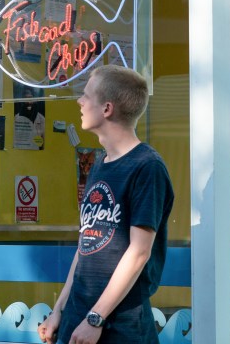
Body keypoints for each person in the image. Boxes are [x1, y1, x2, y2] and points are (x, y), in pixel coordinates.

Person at [39, 64, 174, 344]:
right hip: (79, 318)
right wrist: (59, 310)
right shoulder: (99, 164)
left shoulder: (147, 167)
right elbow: (85, 245)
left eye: (87, 96)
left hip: (121, 325)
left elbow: (139, 252)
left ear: (107, 109)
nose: (80, 101)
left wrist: (96, 318)